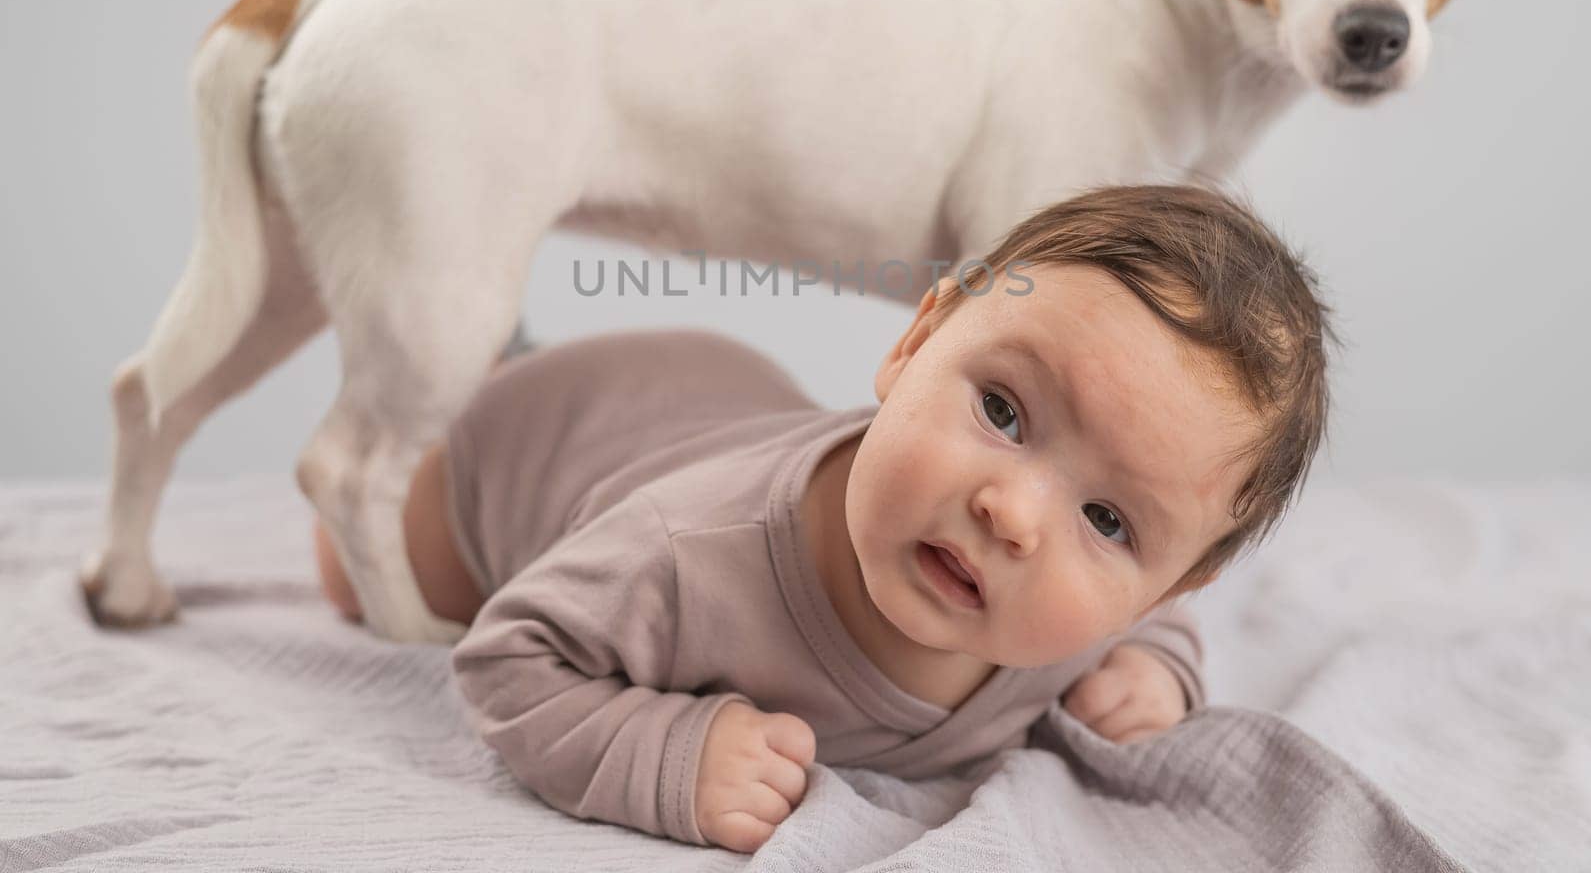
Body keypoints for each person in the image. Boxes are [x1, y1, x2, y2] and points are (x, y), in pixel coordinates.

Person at [314, 184, 1334, 853]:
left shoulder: (1080, 629)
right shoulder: (681, 554)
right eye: (1002, 410)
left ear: (1170, 583)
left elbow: (1142, 623)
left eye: (1108, 522)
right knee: (361, 573)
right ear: (914, 342)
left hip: (727, 393)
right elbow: (507, 659)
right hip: (542, 434)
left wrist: (1155, 669)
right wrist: (665, 750)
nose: (1013, 513)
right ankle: (484, 362)